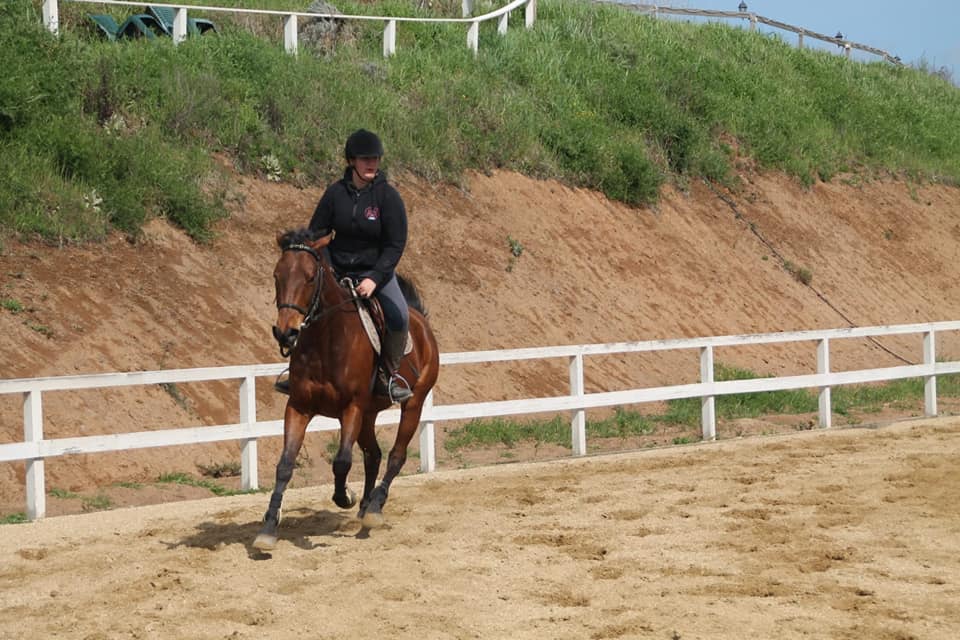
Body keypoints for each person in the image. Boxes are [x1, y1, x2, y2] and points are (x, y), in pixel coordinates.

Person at [275, 129, 413, 403]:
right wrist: (320, 264)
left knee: (399, 317)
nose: (371, 163)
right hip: (336, 269)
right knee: (309, 308)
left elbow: (395, 244)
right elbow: (316, 234)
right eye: (365, 159)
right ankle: (298, 371)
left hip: (375, 273)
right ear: (352, 161)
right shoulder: (334, 194)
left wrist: (374, 278)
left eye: (375, 158)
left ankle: (388, 375)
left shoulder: (388, 197)